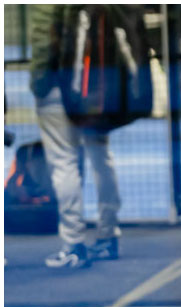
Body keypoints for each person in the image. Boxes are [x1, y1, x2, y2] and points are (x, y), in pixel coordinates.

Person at [29, 5, 123, 268]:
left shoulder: (48, 7)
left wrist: (39, 85)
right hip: (94, 89)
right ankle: (108, 235)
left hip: (56, 89)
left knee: (64, 162)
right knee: (101, 158)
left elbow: (43, 48)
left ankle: (74, 244)